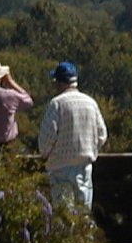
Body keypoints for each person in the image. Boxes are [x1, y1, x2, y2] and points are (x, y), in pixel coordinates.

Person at [38, 60, 108, 209]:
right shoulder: (91, 103)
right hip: (84, 166)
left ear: (59, 82)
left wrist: (46, 155)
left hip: (60, 167)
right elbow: (102, 135)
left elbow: (46, 140)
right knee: (83, 215)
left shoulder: (56, 104)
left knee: (64, 216)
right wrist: (90, 149)